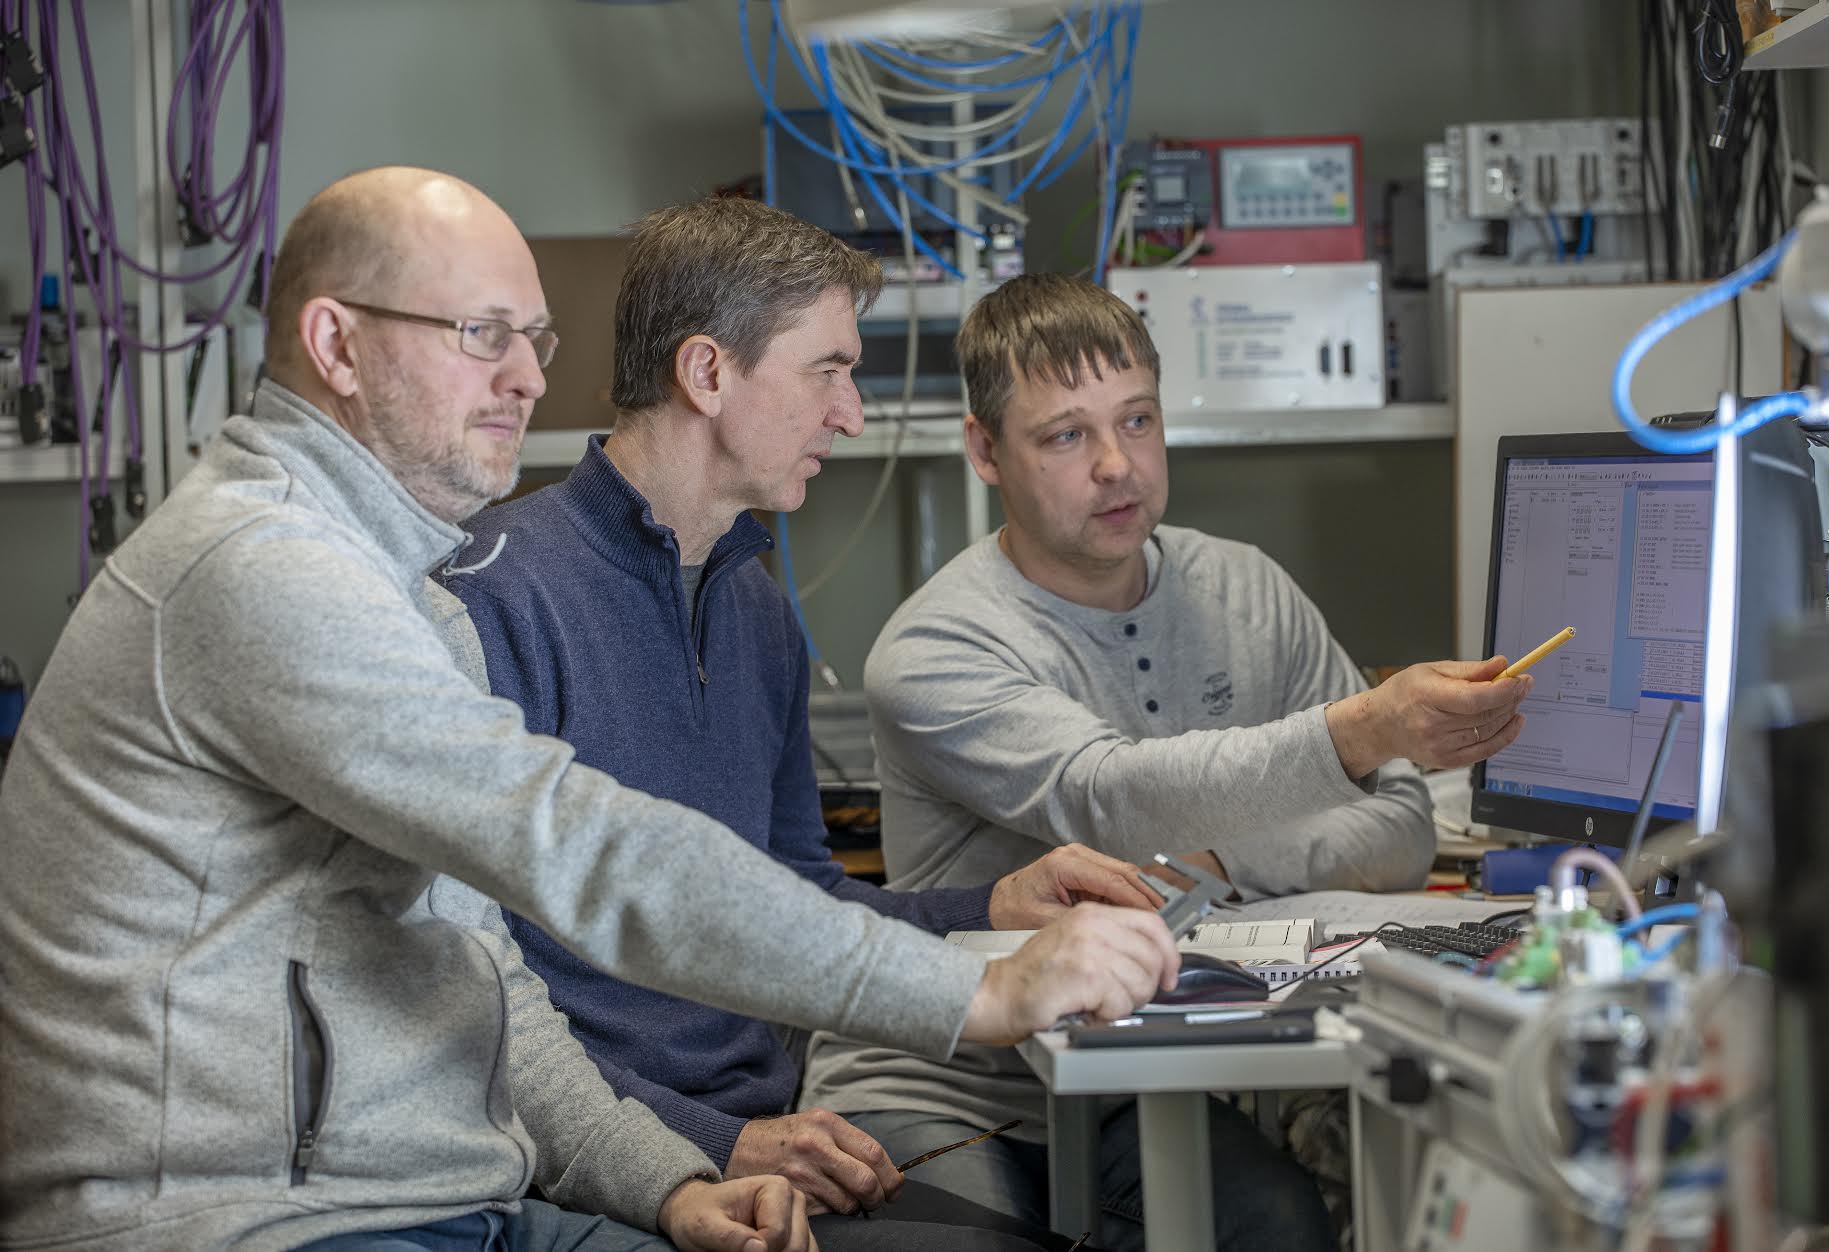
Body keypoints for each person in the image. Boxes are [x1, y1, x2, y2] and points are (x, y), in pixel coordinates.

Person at [0, 171, 1181, 1252]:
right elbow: (578, 848)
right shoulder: (260, 568)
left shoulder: (408, 599)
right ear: (336, 346)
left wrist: (666, 1180)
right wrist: (977, 992)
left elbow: (484, 978)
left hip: (438, 1194)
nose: (526, 376)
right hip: (248, 1219)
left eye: (535, 339)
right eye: (482, 337)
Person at [430, 197, 1160, 1251]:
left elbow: (795, 898)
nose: (851, 411)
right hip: (604, 1160)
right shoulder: (496, 599)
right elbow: (475, 991)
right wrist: (708, 1145)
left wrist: (992, 902)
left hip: (766, 1127)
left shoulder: (753, 601)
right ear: (708, 374)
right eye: (828, 369)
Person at [800, 272, 1534, 1251]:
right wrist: (1363, 729)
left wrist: (1219, 866)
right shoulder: (935, 648)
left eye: (1137, 420)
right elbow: (1114, 799)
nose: (1118, 465)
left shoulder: (1249, 593)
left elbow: (1401, 830)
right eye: (1066, 435)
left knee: (1282, 1226)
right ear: (985, 450)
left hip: (1138, 1085)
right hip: (945, 1082)